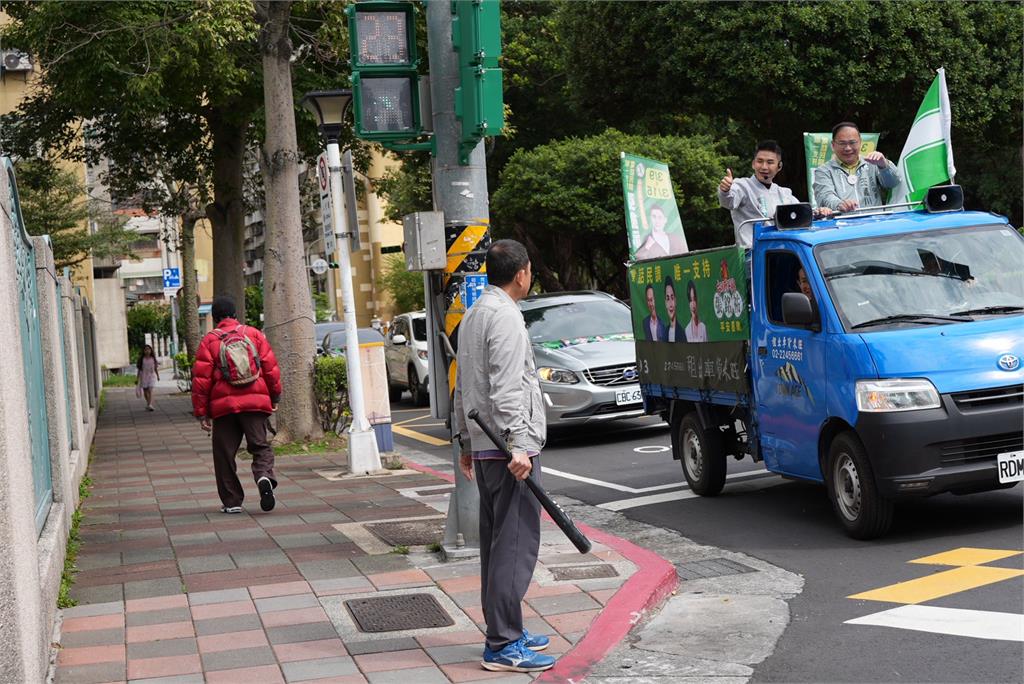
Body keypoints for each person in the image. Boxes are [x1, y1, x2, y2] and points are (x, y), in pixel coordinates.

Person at [452, 239, 556, 674]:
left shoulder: (475, 313)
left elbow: (462, 381)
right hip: (508, 449)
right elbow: (508, 386)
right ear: (522, 273)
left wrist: (463, 439)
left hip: (484, 445)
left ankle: (505, 628)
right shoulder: (507, 318)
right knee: (515, 546)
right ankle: (503, 644)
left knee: (497, 548)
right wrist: (518, 445)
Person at [191, 296, 282, 515]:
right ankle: (263, 476)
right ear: (235, 314)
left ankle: (232, 501)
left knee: (224, 454)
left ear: (215, 318)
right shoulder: (253, 334)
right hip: (255, 402)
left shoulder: (209, 341)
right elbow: (270, 368)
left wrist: (202, 413)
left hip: (224, 408)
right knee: (260, 446)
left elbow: (201, 381)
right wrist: (274, 397)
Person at [718, 140, 832, 248]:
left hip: (783, 250)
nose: (764, 167)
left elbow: (802, 213)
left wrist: (819, 212)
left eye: (770, 162)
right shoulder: (742, 185)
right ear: (753, 164)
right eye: (760, 161)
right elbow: (728, 201)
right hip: (753, 254)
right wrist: (725, 190)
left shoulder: (784, 193)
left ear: (779, 166)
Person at [813, 122, 902, 212]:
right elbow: (825, 196)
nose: (848, 148)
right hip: (841, 224)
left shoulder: (873, 163)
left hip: (874, 221)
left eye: (852, 142)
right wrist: (839, 204)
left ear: (860, 143)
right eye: (842, 143)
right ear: (833, 145)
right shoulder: (823, 171)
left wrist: (884, 165)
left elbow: (894, 183)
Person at [135, 345, 160, 411]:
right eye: (145, 349)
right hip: (143, 377)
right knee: (145, 392)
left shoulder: (153, 359)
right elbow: (139, 370)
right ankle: (148, 403)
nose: (147, 351)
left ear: (151, 350)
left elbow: (155, 368)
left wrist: (158, 376)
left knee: (150, 390)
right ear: (143, 351)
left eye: (149, 349)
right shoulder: (141, 359)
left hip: (151, 377)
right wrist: (137, 379)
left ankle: (150, 404)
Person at [663, 276, 687, 343]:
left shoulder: (682, 333)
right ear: (665, 303)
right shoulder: (664, 333)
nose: (670, 304)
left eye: (672, 298)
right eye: (668, 299)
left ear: (675, 301)